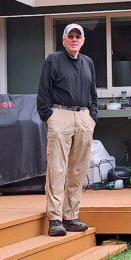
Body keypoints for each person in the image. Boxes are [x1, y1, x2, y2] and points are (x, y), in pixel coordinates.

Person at [37, 23, 98, 236]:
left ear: (82, 40)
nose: (74, 39)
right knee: (57, 167)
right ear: (64, 40)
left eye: (77, 36)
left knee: (79, 168)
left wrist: (92, 117)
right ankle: (55, 218)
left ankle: (71, 215)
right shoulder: (53, 60)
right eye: (70, 36)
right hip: (59, 114)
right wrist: (49, 116)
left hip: (83, 117)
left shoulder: (88, 63)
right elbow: (43, 90)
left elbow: (93, 94)